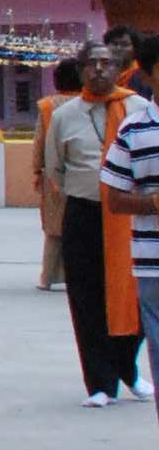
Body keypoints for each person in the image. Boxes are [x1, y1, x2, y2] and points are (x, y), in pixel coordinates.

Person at [47, 51, 144, 406]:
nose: (99, 69)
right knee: (86, 298)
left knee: (136, 295)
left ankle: (127, 367)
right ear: (81, 71)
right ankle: (100, 383)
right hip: (84, 212)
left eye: (107, 63)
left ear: (119, 70)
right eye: (92, 63)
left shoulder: (139, 110)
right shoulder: (64, 115)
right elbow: (55, 168)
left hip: (129, 213)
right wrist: (89, 189)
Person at [107, 43, 159, 424]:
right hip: (153, 264)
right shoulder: (134, 129)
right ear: (149, 74)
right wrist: (153, 203)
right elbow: (115, 199)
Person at [34, 58, 81, 290]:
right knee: (81, 229)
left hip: (53, 175)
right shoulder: (90, 104)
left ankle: (47, 278)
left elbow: (40, 142)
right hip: (83, 173)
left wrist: (36, 170)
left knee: (54, 231)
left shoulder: (47, 106)